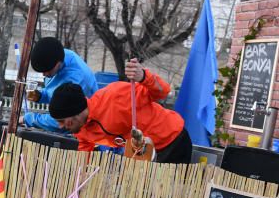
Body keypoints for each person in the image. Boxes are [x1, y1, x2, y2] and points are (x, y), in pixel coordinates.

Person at [48, 58, 193, 164]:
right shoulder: (80, 128)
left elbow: (163, 91)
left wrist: (143, 76)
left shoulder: (116, 96)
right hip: (142, 154)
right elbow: (84, 151)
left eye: (62, 121)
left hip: (172, 142)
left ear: (76, 112)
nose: (61, 126)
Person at [23, 37, 98, 132]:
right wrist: (40, 96)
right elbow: (55, 94)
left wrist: (29, 119)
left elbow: (62, 122)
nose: (44, 74)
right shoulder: (57, 56)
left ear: (58, 63)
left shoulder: (76, 79)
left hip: (85, 128)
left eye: (47, 70)